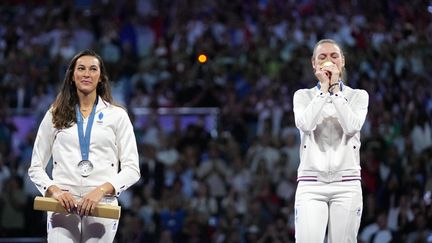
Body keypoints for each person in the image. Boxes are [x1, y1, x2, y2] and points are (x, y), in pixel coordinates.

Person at [28, 49, 140, 242]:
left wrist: (101, 190)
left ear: (101, 77)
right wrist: (54, 190)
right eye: (81, 68)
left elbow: (132, 169)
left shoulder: (117, 116)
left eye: (93, 69)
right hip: (62, 204)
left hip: (102, 203)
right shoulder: (55, 114)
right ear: (72, 76)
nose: (86, 74)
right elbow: (35, 167)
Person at [292, 39, 369, 242]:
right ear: (314, 63)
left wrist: (335, 90)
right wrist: (323, 90)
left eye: (334, 56)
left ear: (342, 61)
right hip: (311, 183)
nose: (329, 60)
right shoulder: (303, 96)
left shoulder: (358, 96)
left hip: (347, 183)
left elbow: (352, 126)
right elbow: (306, 124)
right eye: (322, 56)